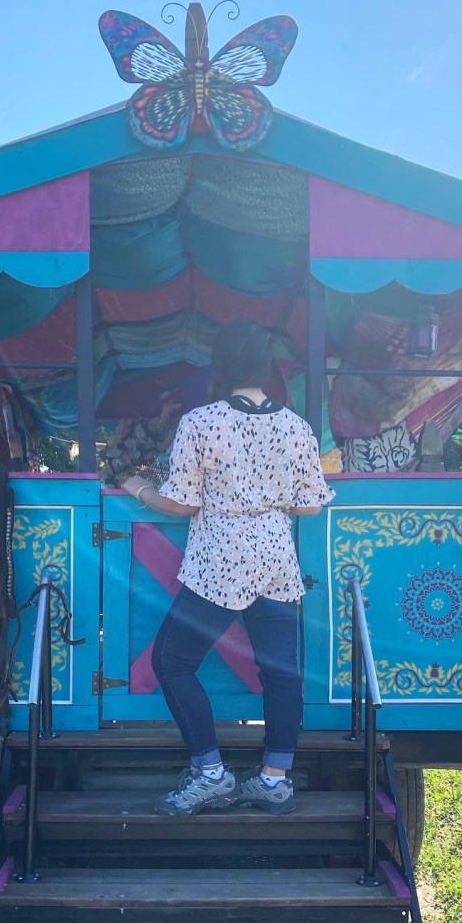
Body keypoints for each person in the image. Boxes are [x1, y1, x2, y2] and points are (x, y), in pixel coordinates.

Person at [122, 321, 334, 816]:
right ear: (266, 368)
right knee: (281, 674)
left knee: (172, 662)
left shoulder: (202, 422)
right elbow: (309, 506)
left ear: (221, 368)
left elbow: (181, 503)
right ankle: (274, 781)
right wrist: (268, 497)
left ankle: (211, 775)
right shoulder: (296, 426)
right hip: (276, 560)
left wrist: (138, 487)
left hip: (219, 560)